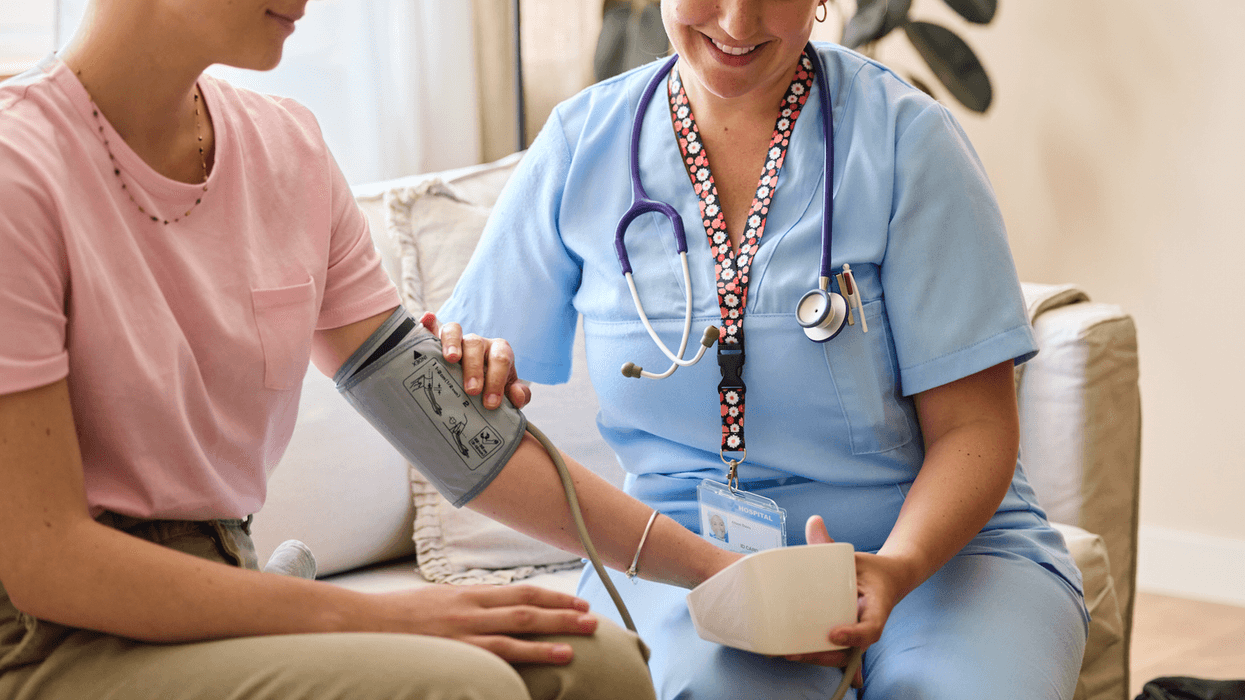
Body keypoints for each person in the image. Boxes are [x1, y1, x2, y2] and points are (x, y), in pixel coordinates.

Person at [0, 1, 750, 698]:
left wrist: (724, 573)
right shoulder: (19, 169)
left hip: (223, 589)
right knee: (469, 687)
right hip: (56, 639)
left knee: (596, 665)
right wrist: (385, 617)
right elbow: (47, 562)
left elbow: (458, 440)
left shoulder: (285, 147)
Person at [437, 0, 1091, 697]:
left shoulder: (906, 138)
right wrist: (468, 362)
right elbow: (467, 391)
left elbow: (974, 426)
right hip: (676, 552)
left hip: (939, 550)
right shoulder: (581, 144)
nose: (737, 22)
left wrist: (896, 568)